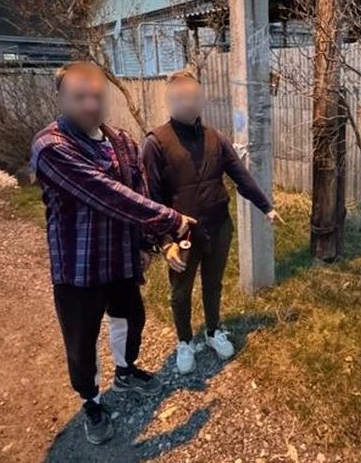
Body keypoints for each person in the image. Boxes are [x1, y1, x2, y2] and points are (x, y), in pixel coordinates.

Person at [30, 62, 196, 445]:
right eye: (79, 97)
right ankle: (91, 401)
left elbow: (139, 194)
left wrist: (148, 242)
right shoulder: (51, 147)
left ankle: (125, 371)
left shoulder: (122, 140)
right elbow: (108, 195)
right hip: (78, 267)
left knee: (130, 318)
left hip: (120, 258)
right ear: (60, 98)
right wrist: (172, 220)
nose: (90, 104)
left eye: (97, 96)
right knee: (82, 340)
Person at [141, 69, 282, 375]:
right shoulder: (156, 143)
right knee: (180, 291)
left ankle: (213, 331)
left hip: (218, 227)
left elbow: (240, 176)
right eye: (180, 97)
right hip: (181, 235)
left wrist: (265, 207)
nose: (188, 102)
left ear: (202, 98)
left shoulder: (215, 138)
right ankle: (184, 341)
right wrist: (165, 242)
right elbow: (151, 199)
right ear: (169, 101)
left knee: (213, 283)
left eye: (193, 96)